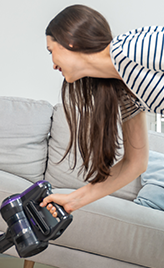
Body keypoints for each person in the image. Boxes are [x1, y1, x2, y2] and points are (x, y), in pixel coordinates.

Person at [40, 5, 164, 216]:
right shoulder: (125, 92)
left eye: (51, 51)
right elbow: (135, 163)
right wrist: (73, 200)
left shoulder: (133, 49)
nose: (52, 64)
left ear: (69, 41)